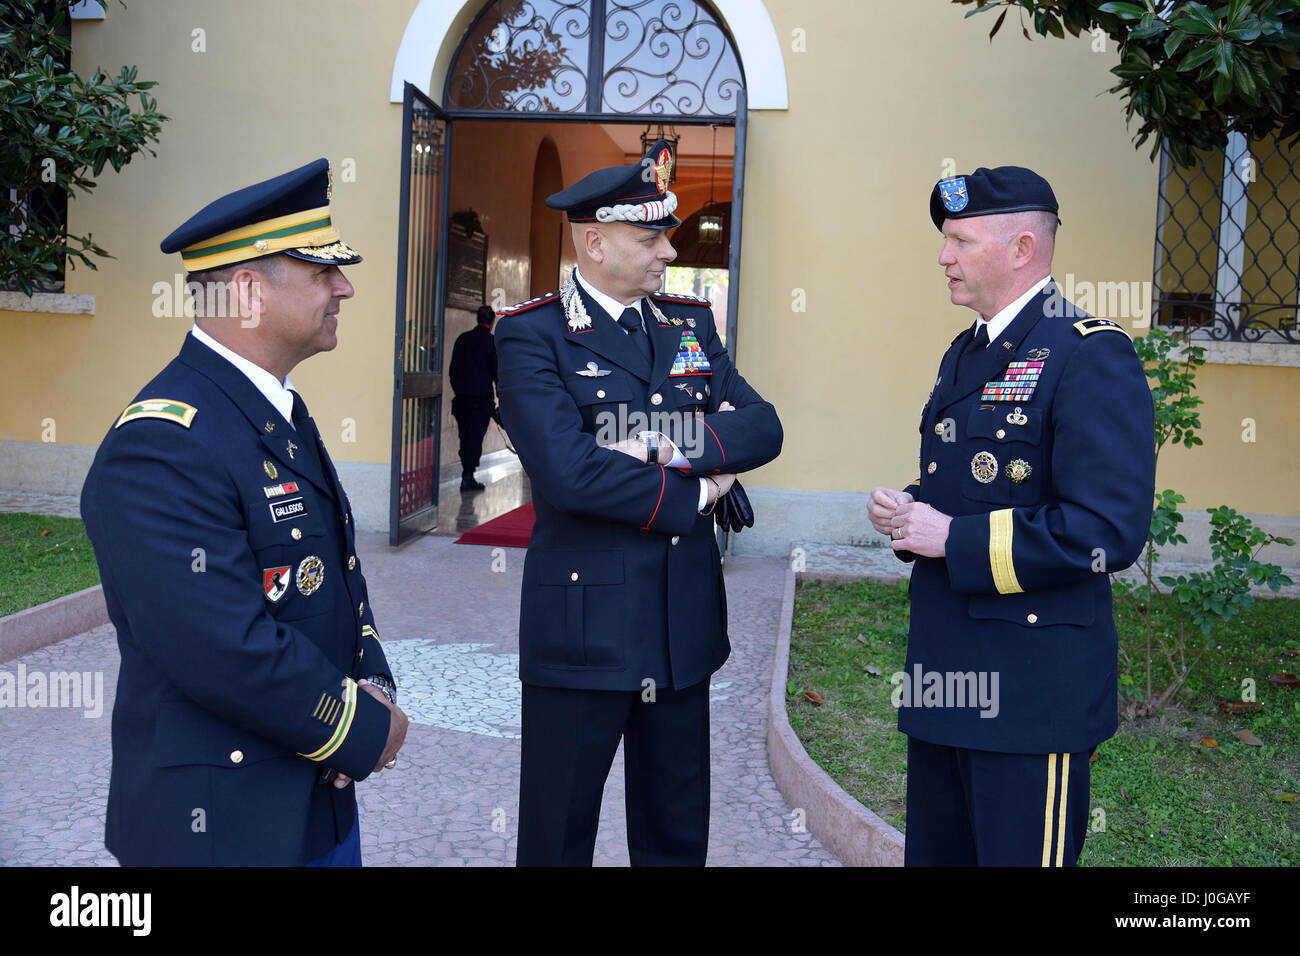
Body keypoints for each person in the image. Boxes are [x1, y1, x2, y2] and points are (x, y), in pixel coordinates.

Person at [80, 158, 409, 866]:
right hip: (221, 826)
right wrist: (357, 725)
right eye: (323, 272)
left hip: (314, 806)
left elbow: (337, 576)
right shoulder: (162, 444)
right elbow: (220, 647)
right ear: (250, 293)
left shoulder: (271, 410)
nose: (344, 287)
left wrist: (373, 678)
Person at [495, 140, 783, 866]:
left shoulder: (689, 323)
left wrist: (667, 444)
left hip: (680, 627)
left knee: (676, 834)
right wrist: (701, 494)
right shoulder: (533, 334)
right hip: (583, 632)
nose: (667, 250)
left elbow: (763, 425)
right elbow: (569, 475)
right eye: (648, 236)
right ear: (592, 243)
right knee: (558, 835)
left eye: (665, 234)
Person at [868, 166, 1155, 867]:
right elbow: (980, 482)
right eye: (946, 241)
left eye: (960, 241)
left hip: (1030, 695)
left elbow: (1106, 530)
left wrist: (954, 538)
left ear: (1022, 248)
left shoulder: (1089, 354)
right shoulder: (967, 351)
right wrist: (912, 511)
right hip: (947, 679)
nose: (943, 257)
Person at [449, 304, 499, 491]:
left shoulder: (463, 339)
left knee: (465, 436)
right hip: (481, 401)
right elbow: (497, 374)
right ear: (492, 322)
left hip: (462, 400)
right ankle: (468, 476)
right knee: (475, 438)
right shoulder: (492, 342)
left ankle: (467, 473)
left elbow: (453, 371)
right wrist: (500, 398)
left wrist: (459, 390)